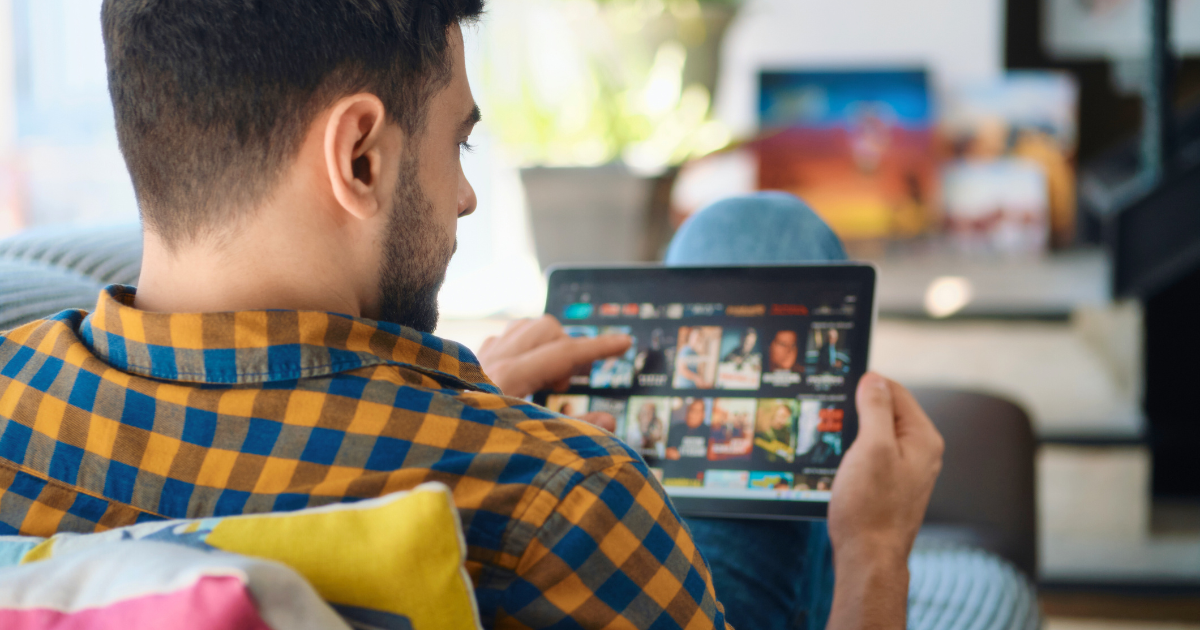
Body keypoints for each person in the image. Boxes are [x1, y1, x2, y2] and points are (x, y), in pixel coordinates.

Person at [0, 3, 944, 629]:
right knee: (762, 234)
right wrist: (872, 552)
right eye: (459, 140)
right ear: (359, 155)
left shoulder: (11, 394)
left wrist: (456, 403)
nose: (464, 198)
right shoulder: (565, 499)